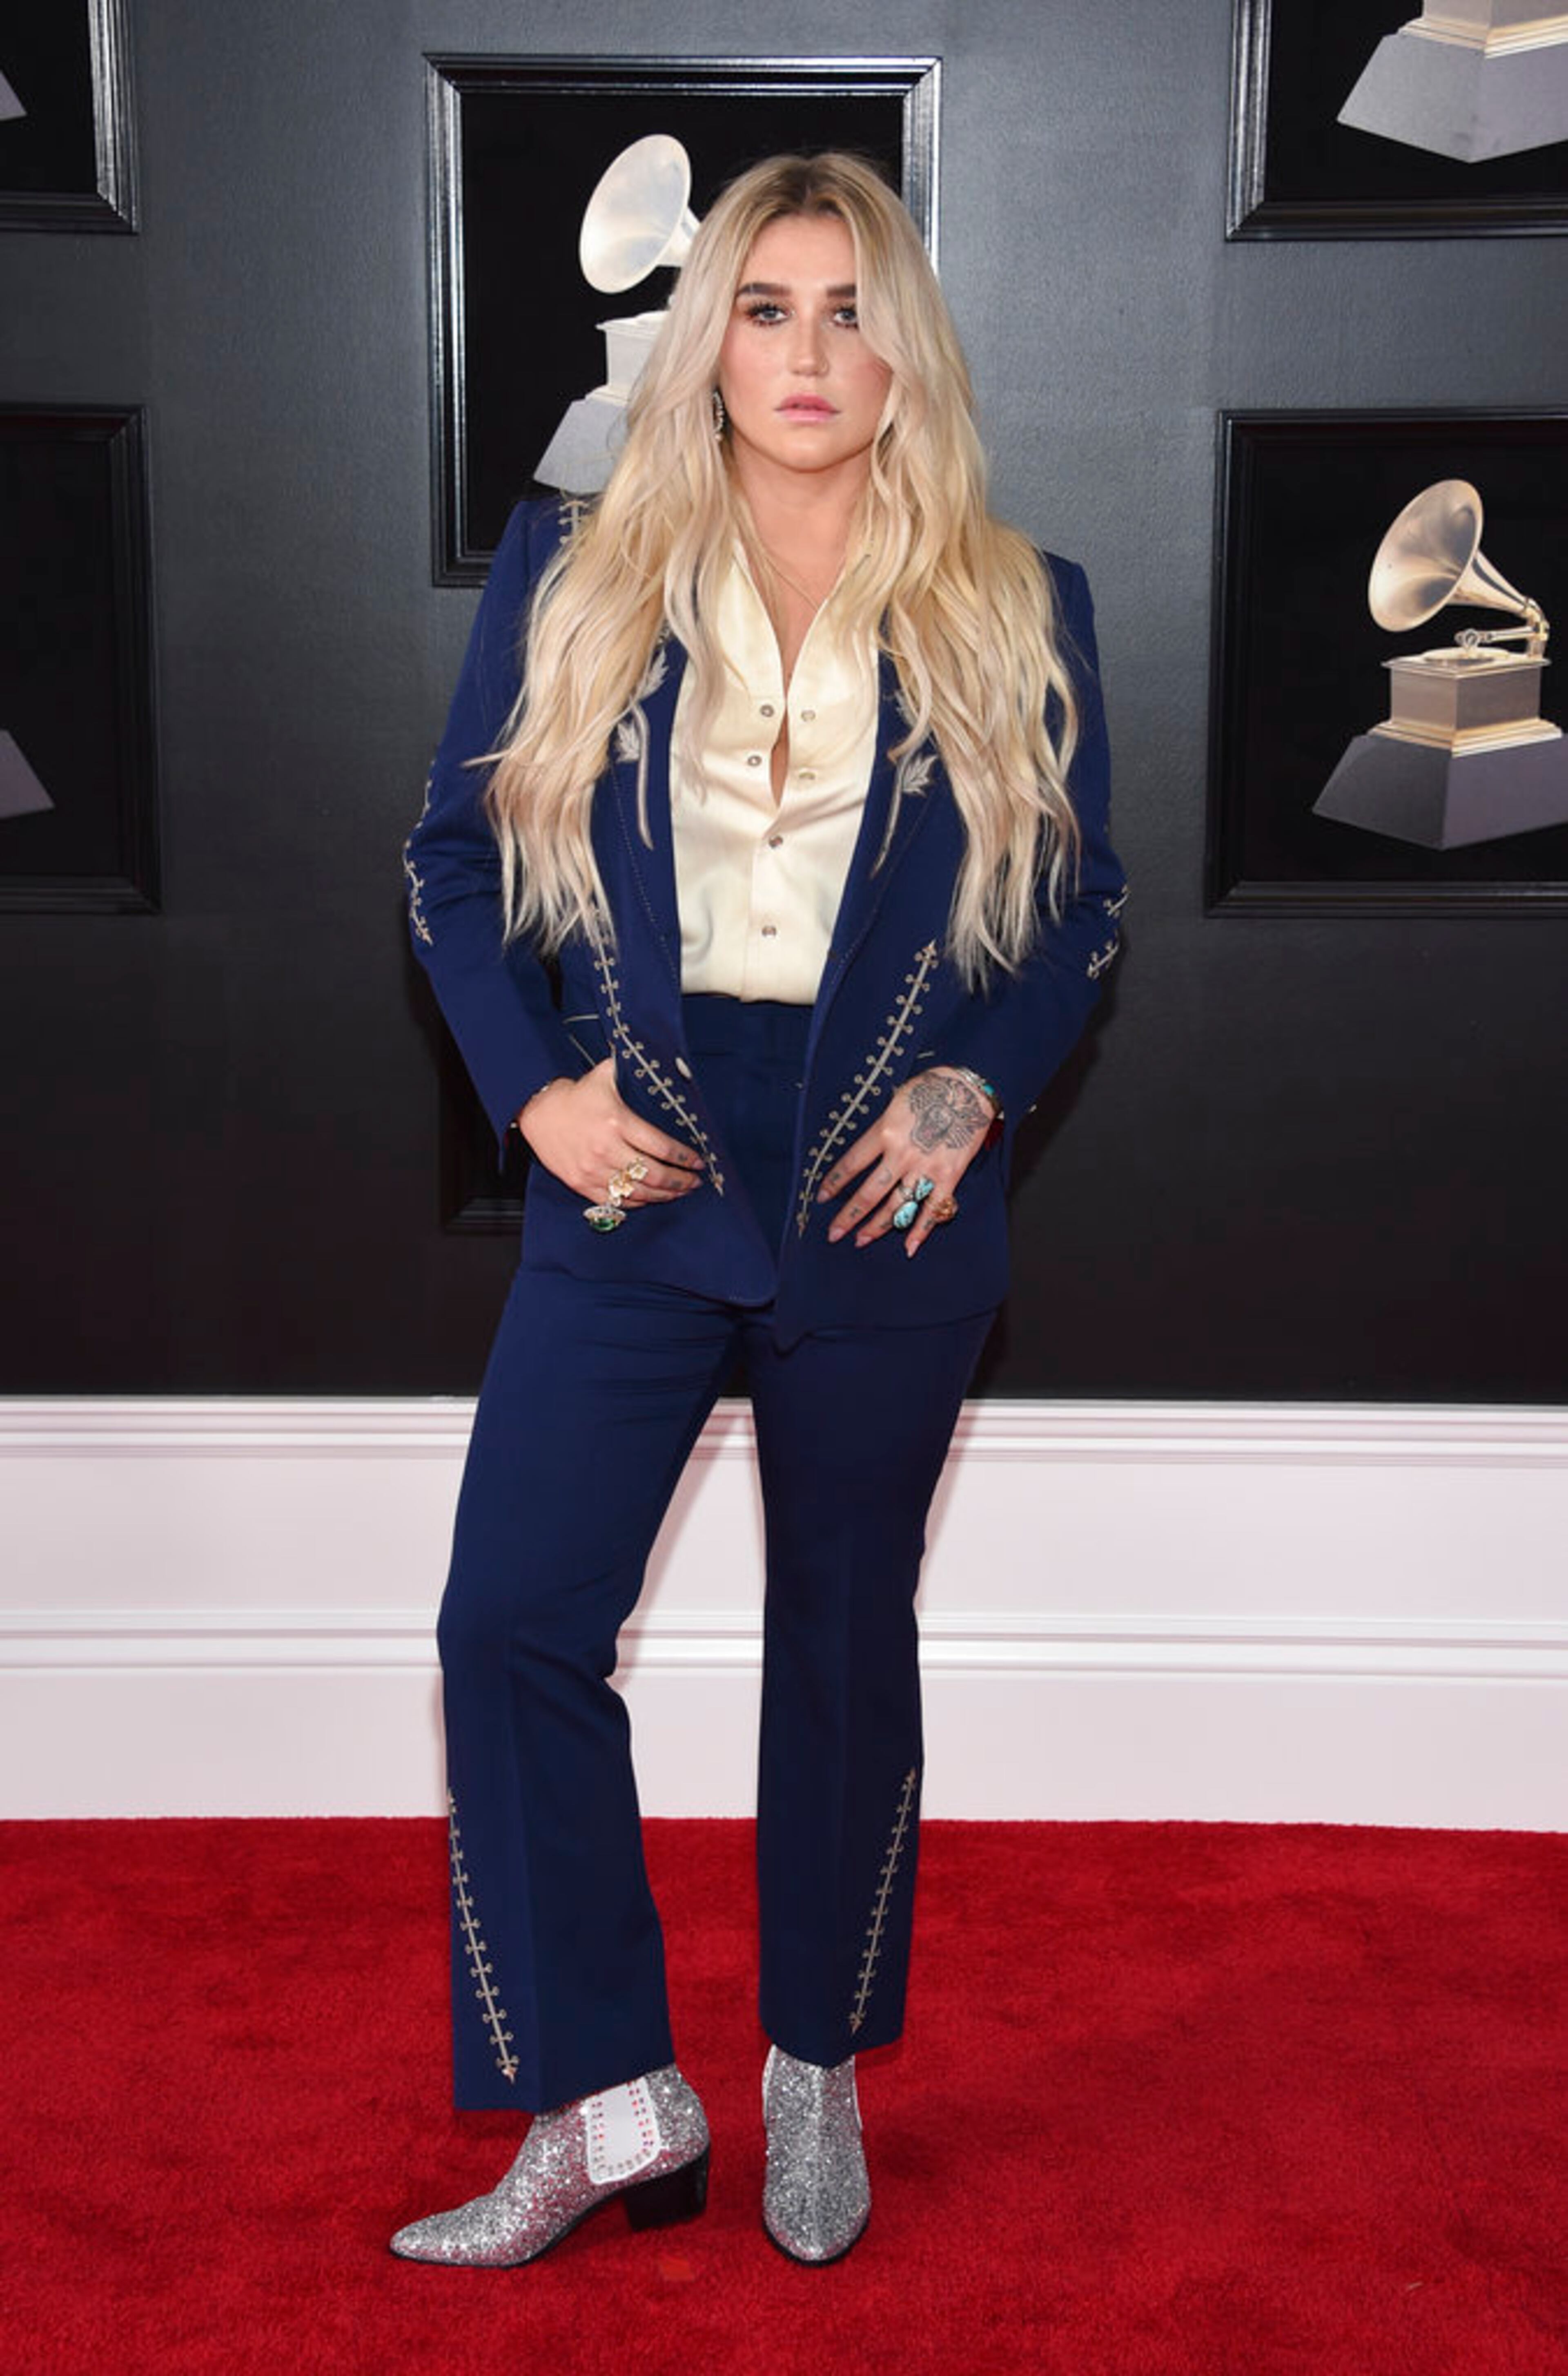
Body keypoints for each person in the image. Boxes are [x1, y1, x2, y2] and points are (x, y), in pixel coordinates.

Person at [392, 150, 1124, 2271]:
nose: (809, 353)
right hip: (636, 1136)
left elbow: (1078, 913)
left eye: (851, 307)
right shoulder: (574, 562)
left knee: (838, 1638)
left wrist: (982, 1081)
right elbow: (448, 869)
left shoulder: (1016, 593)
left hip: (884, 1173)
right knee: (510, 1621)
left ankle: (817, 2063)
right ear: (710, 333)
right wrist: (532, 1096)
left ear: (909, 350)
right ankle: (611, 2096)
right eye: (769, 305)